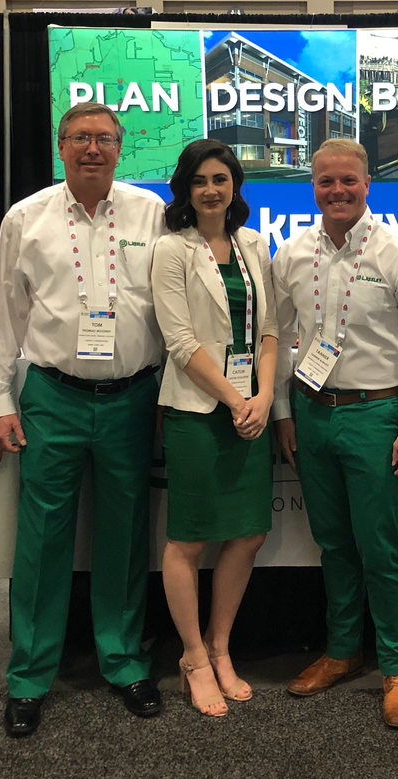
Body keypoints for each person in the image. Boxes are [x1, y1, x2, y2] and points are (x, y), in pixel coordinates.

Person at [0, 101, 166, 737]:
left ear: (122, 147)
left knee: (124, 533)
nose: (93, 148)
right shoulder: (25, 218)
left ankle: (121, 659)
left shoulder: (153, 213)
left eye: (105, 139)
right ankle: (30, 675)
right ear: (61, 146)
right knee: (41, 538)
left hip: (134, 397)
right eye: (80, 138)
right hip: (51, 398)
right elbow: (3, 315)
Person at [272, 139, 398, 728]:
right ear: (313, 187)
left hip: (378, 416)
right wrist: (282, 413)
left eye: (348, 180)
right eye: (326, 182)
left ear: (368, 183)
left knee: (380, 549)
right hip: (312, 412)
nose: (338, 191)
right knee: (333, 544)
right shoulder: (293, 252)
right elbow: (276, 337)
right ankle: (343, 652)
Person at [151, 139, 278, 717]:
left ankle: (223, 648)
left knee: (248, 533)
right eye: (200, 180)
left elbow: (270, 331)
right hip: (198, 411)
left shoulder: (253, 244)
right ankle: (194, 657)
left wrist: (265, 395)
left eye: (221, 179)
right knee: (190, 538)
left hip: (249, 409)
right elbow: (180, 343)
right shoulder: (171, 250)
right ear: (185, 187)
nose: (211, 189)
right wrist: (234, 399)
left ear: (235, 186)